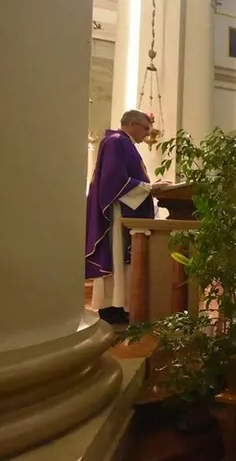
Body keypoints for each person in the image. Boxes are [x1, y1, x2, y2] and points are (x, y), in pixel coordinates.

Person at [85, 110, 168, 324]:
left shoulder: (123, 143)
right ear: (132, 124)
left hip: (125, 211)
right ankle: (113, 307)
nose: (147, 135)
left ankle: (119, 305)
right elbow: (114, 181)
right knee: (117, 259)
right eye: (146, 129)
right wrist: (150, 188)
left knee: (122, 261)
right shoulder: (116, 142)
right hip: (119, 214)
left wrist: (150, 188)